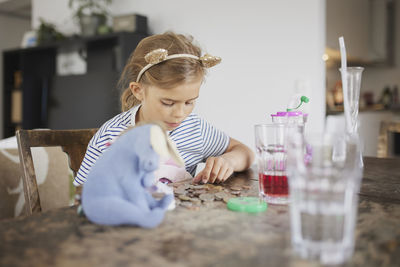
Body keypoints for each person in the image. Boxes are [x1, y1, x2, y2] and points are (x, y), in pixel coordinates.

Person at [73, 31, 254, 186]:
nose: (180, 114)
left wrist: (227, 161)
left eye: (189, 102)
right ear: (138, 91)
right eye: (168, 103)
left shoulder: (195, 129)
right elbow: (82, 197)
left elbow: (245, 152)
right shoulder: (110, 136)